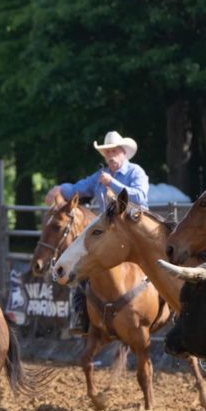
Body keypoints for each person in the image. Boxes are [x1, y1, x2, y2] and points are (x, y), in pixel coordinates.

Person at [45, 131, 150, 337]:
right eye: (107, 152)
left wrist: (112, 183)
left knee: (155, 258)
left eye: (114, 151)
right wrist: (58, 189)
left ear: (123, 153)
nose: (110, 156)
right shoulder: (98, 177)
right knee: (83, 261)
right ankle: (81, 314)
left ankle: (170, 307)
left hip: (133, 226)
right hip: (108, 232)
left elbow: (140, 197)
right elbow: (77, 188)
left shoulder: (135, 172)